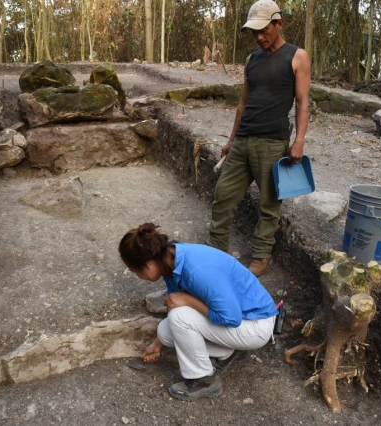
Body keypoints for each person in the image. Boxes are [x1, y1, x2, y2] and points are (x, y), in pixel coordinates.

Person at [206, 0, 311, 277]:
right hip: (243, 140)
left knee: (269, 202)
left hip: (272, 142)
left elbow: (302, 102)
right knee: (223, 195)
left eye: (264, 30)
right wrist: (231, 140)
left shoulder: (297, 56)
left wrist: (299, 140)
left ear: (279, 23)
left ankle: (262, 254)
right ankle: (216, 250)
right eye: (254, 32)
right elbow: (243, 104)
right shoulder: (251, 60)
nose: (259, 37)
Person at [119, 223, 278, 402]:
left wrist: (187, 300)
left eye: (135, 271)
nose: (137, 276)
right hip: (241, 320)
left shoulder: (197, 271)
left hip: (255, 324)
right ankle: (231, 351)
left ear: (148, 264)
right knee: (165, 331)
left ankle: (204, 380)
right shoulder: (170, 259)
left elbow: (231, 318)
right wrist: (158, 344)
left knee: (179, 317)